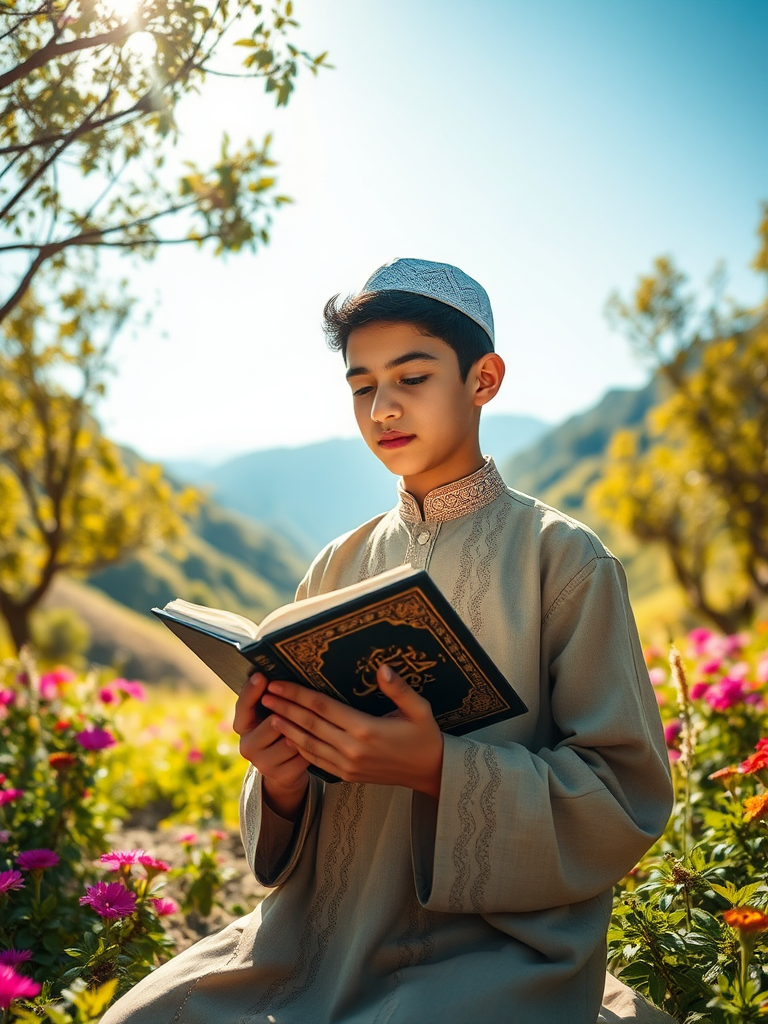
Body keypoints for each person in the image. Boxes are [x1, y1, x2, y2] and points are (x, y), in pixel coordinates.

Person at [102, 258, 675, 1024]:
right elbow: (292, 787)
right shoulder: (336, 564)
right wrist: (279, 778)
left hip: (494, 950)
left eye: (412, 378)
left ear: (484, 380)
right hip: (315, 936)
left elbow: (623, 795)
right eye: (362, 385)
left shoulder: (563, 560)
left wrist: (441, 770)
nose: (383, 409)